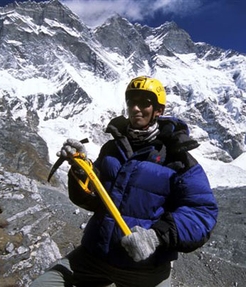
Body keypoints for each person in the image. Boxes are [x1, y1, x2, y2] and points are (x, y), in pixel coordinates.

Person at [31, 76, 218, 287]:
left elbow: (202, 213)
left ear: (158, 110)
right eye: (132, 101)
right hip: (93, 258)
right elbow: (91, 200)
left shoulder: (178, 158)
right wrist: (80, 170)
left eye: (145, 102)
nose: (136, 108)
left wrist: (156, 236)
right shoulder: (111, 150)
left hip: (146, 270)